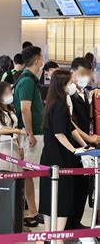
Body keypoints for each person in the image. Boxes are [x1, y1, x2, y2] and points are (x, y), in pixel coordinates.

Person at [39, 69, 88, 236]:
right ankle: (57, 236)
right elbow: (60, 133)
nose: (72, 85)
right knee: (62, 197)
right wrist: (74, 150)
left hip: (49, 156)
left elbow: (70, 128)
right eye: (69, 83)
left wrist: (85, 144)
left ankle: (49, 234)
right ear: (62, 85)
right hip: (59, 158)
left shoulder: (53, 103)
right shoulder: (60, 104)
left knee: (49, 196)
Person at [13, 46, 44, 227]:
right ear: (37, 60)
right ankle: (32, 211)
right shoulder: (27, 81)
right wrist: (31, 133)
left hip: (34, 133)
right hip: (30, 134)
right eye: (41, 57)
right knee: (28, 173)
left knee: (30, 173)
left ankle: (33, 210)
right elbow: (25, 108)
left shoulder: (30, 79)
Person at [65, 57, 97, 229]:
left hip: (85, 144)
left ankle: (76, 222)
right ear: (72, 72)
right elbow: (69, 121)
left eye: (88, 74)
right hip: (74, 143)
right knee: (73, 185)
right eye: (82, 74)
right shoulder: (66, 92)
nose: (86, 77)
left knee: (84, 184)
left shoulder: (83, 92)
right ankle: (69, 225)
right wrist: (87, 137)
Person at [0, 81, 25, 171]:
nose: (9, 95)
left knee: (16, 177)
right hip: (2, 146)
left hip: (14, 145)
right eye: (6, 93)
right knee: (5, 175)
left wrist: (21, 147)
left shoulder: (11, 109)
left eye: (9, 93)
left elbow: (15, 126)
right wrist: (17, 131)